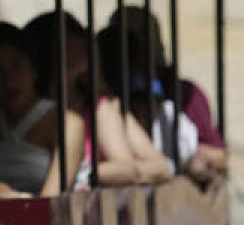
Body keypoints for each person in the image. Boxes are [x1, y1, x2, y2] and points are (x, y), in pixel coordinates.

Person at [23, 11, 171, 188]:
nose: (85, 39)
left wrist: (85, 174)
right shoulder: (27, 110)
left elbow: (156, 168)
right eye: (73, 32)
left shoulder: (99, 107)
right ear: (50, 47)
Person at [101, 7, 228, 182]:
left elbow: (219, 156)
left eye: (142, 38)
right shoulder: (106, 103)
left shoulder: (183, 93)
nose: (138, 48)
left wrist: (194, 157)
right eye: (126, 41)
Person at [0, 22, 85, 199]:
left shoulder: (67, 123)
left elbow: (52, 202)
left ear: (34, 70)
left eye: (17, 66)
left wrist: (14, 198)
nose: (10, 81)